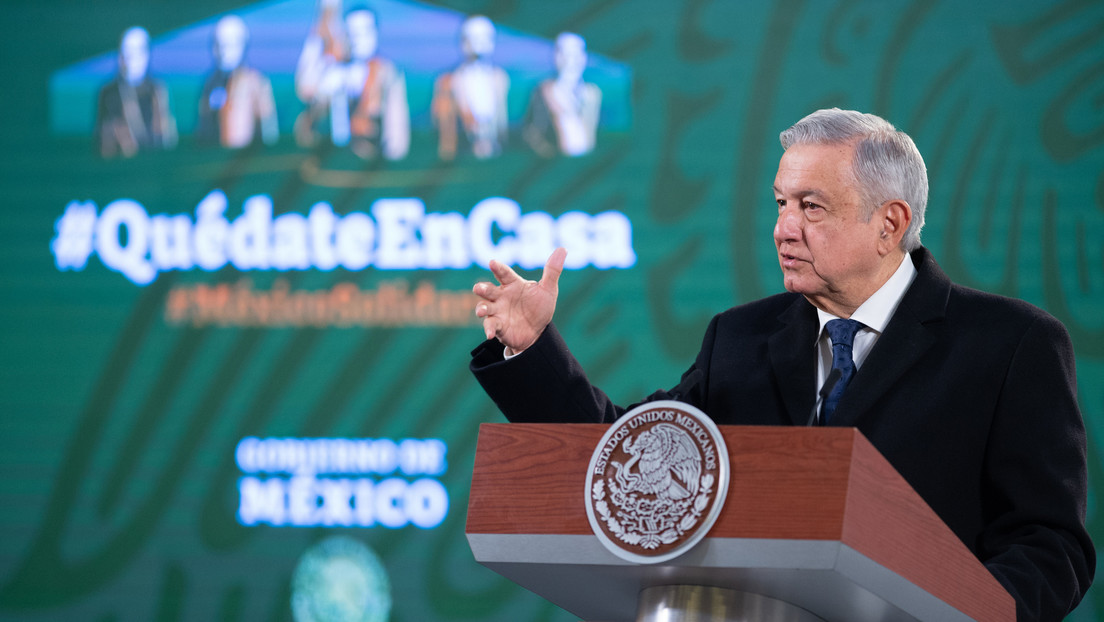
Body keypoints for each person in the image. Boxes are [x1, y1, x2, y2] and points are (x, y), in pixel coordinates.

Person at [469, 108, 1095, 621]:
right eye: (779, 204)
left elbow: (1049, 545)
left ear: (890, 224)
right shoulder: (739, 339)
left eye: (811, 207)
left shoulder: (1011, 344)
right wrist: (532, 346)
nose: (783, 229)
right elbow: (626, 464)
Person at [294, 4, 410, 159]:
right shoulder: (359, 74)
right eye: (352, 33)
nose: (357, 39)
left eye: (364, 32)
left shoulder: (379, 73)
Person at [431, 15, 510, 160]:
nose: (477, 44)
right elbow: (442, 124)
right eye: (471, 38)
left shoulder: (499, 78)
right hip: (461, 156)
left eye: (483, 37)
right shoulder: (449, 81)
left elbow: (501, 122)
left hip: (495, 155)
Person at [196, 15, 279, 148]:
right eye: (218, 45)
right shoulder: (210, 84)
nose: (222, 51)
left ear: (242, 44)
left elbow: (268, 128)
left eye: (228, 44)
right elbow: (202, 126)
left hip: (245, 158)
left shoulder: (256, 82)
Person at [94, 26, 178, 158]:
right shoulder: (109, 93)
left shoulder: (156, 89)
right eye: (124, 54)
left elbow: (166, 135)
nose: (128, 60)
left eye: (134, 54)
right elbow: (102, 140)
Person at [523, 32, 601, 157]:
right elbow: (532, 131)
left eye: (575, 55)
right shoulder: (543, 91)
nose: (570, 61)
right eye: (565, 55)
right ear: (556, 57)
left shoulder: (591, 93)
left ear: (583, 58)